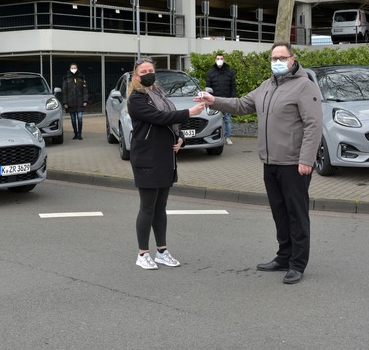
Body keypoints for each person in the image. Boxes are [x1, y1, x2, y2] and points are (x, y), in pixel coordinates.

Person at [196, 42, 323, 284]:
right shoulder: (267, 85)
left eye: (282, 57)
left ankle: (297, 263)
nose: (277, 61)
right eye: (274, 57)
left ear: (292, 59)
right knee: (279, 214)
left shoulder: (304, 86)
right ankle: (284, 257)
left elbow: (313, 125)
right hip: (270, 161)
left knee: (296, 215)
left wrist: (306, 159)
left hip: (294, 164)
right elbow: (242, 104)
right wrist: (214, 100)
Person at [128, 58, 206, 270]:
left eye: (150, 70)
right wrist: (190, 112)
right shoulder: (136, 99)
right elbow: (159, 117)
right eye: (143, 71)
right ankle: (143, 253)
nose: (147, 73)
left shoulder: (160, 94)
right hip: (147, 159)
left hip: (165, 158)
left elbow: (171, 122)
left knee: (160, 208)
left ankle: (162, 251)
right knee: (147, 208)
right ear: (136, 76)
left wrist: (180, 137)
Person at [206, 53, 237, 145]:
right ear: (215, 60)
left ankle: (227, 137)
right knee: (215, 120)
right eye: (218, 58)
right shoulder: (211, 73)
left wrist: (233, 99)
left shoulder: (229, 72)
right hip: (215, 101)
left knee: (227, 120)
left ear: (224, 60)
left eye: (221, 58)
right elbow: (208, 87)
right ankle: (215, 137)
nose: (219, 60)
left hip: (227, 100)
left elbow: (233, 87)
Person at [62, 62, 88, 140]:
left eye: (75, 68)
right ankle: (75, 133)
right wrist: (65, 102)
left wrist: (85, 100)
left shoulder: (81, 78)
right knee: (73, 119)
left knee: (79, 118)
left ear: (77, 68)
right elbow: (64, 91)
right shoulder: (66, 79)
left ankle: (80, 134)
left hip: (80, 102)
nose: (73, 69)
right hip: (70, 103)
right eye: (72, 68)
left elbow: (85, 90)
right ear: (70, 69)